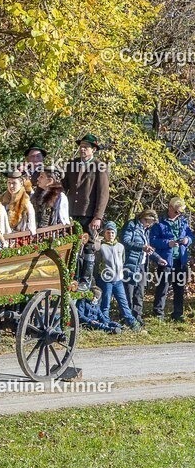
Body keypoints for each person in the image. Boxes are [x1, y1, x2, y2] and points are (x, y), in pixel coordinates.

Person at [63, 134, 110, 291]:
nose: (82, 149)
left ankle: (86, 279)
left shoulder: (99, 166)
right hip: (71, 212)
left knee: (89, 246)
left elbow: (103, 194)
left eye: (86, 147)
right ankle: (71, 276)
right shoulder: (71, 165)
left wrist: (98, 217)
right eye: (81, 146)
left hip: (89, 214)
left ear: (93, 150)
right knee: (71, 244)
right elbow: (64, 187)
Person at [150, 197, 194, 321]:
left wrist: (187, 240)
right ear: (170, 207)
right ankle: (158, 314)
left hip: (180, 260)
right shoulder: (159, 223)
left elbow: (190, 235)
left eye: (180, 212)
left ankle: (178, 314)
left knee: (179, 289)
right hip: (165, 260)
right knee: (162, 287)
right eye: (176, 211)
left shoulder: (183, 222)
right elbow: (152, 240)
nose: (178, 214)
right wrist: (167, 243)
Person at [96, 222, 139, 329]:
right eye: (108, 232)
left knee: (123, 302)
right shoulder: (101, 247)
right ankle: (105, 323)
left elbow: (122, 260)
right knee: (106, 303)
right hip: (106, 280)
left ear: (115, 234)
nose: (110, 235)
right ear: (105, 233)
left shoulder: (120, 247)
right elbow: (97, 262)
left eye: (112, 233)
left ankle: (132, 322)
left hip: (118, 280)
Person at [121, 209, 162, 320]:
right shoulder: (131, 225)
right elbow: (125, 241)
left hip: (142, 264)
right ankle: (127, 317)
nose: (151, 225)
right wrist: (141, 247)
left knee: (140, 292)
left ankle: (137, 317)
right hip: (130, 264)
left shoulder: (145, 230)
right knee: (129, 292)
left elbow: (147, 247)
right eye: (150, 222)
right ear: (145, 218)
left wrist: (158, 258)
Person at [2, 170, 36, 235]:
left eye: (14, 183)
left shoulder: (26, 203)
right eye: (9, 183)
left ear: (21, 183)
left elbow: (32, 228)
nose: (11, 186)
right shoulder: (3, 200)